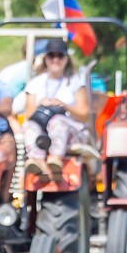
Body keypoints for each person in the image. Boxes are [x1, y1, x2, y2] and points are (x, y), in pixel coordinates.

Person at [13, 38, 90, 181]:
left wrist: (64, 106)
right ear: (45, 59)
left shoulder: (75, 82)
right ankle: (38, 162)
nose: (55, 60)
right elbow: (29, 114)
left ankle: (55, 159)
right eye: (51, 56)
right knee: (30, 126)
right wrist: (41, 105)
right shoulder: (36, 83)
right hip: (42, 134)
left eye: (59, 56)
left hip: (70, 132)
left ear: (66, 59)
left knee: (58, 121)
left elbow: (85, 115)